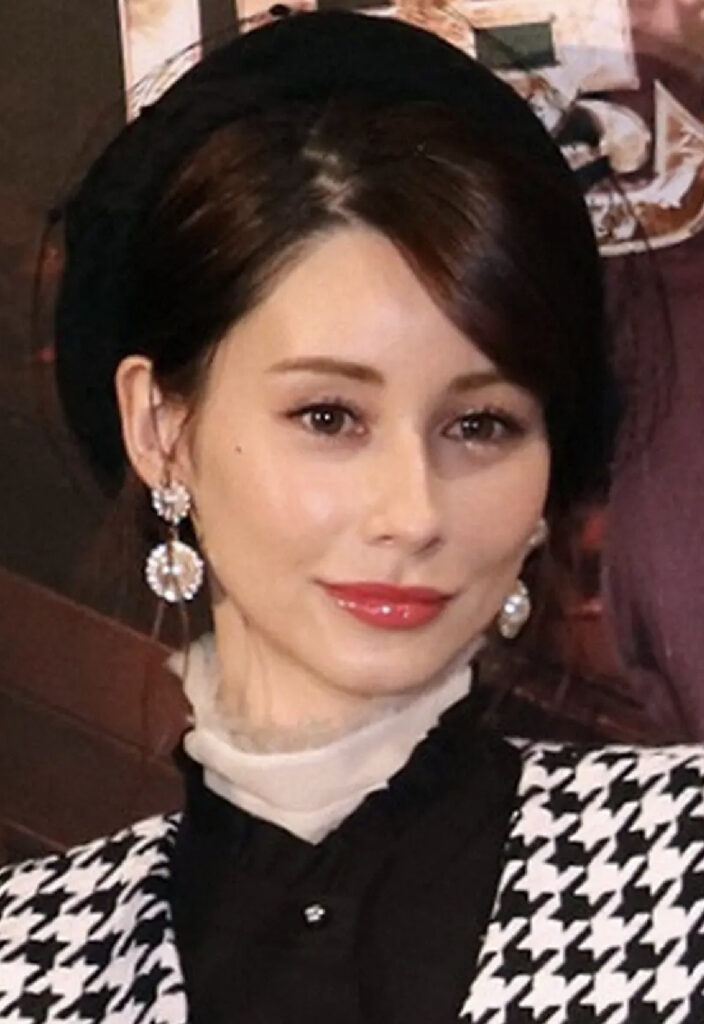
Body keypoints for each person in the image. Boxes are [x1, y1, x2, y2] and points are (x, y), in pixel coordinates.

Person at [1, 10, 702, 1024]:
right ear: (159, 426)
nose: (412, 512)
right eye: (328, 416)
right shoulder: (29, 959)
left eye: (480, 425)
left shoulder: (676, 866)